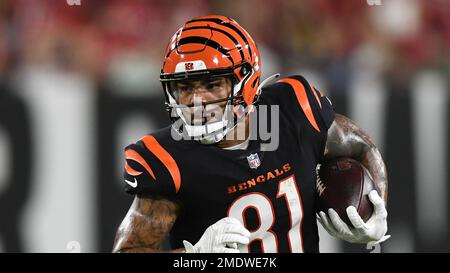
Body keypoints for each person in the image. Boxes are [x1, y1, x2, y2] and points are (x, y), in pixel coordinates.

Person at [112, 15, 389, 253]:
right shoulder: (169, 158)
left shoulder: (293, 110)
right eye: (185, 88)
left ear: (246, 82)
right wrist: (192, 256)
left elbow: (362, 147)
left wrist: (378, 208)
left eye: (212, 84)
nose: (197, 101)